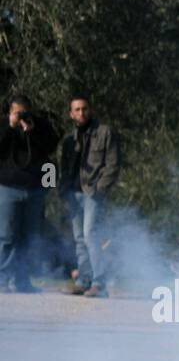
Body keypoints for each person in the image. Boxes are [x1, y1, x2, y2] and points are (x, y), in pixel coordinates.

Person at [57, 95, 119, 297]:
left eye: (84, 109)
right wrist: (62, 189)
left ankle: (99, 283)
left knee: (91, 235)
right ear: (71, 113)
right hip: (73, 194)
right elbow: (64, 168)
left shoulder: (105, 132)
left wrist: (100, 188)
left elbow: (113, 164)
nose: (81, 113)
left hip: (92, 193)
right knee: (79, 238)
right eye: (76, 109)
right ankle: (83, 280)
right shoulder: (69, 139)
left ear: (90, 110)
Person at [0, 95, 58, 293]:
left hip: (34, 190)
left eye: (25, 112)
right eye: (18, 112)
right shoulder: (4, 127)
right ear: (10, 113)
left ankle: (22, 279)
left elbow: (51, 147)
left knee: (28, 237)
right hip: (8, 188)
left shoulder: (40, 126)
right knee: (7, 236)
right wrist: (10, 126)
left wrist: (32, 131)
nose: (22, 116)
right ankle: (3, 278)